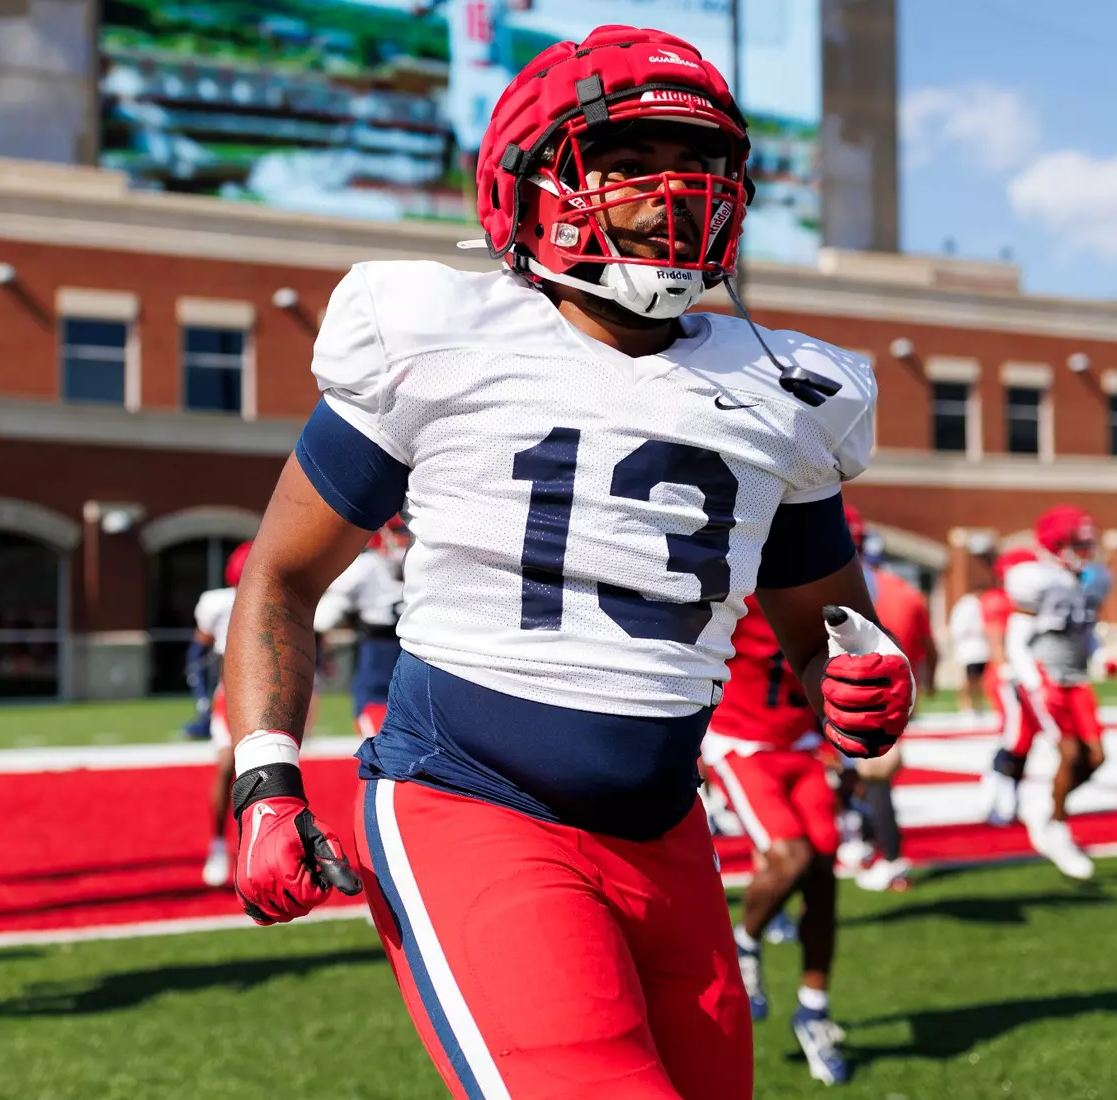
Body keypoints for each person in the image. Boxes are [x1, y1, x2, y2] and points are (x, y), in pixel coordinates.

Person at [218, 26, 915, 1099]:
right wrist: (265, 775)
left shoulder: (788, 388)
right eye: (626, 164)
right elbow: (281, 576)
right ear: (525, 184)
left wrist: (862, 682)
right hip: (472, 803)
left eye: (694, 167)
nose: (666, 193)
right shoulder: (441, 330)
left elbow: (829, 630)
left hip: (669, 832)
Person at [704, 594, 850, 1084]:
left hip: (804, 745)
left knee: (825, 876)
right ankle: (745, 942)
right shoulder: (735, 582)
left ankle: (814, 1009)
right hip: (743, 743)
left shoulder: (831, 596)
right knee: (790, 856)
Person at [1005, 505, 1108, 880]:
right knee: (1068, 751)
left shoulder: (1088, 582)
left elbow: (1086, 630)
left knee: (1096, 758)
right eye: (1078, 544)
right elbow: (1017, 636)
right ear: (1056, 544)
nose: (1087, 551)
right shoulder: (1038, 580)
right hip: (1046, 676)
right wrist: (1032, 680)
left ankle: (1049, 809)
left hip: (1076, 677)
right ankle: (1057, 825)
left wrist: (1103, 654)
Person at [847, 506, 934, 892]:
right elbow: (926, 652)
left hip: (845, 693)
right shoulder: (905, 591)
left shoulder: (841, 588)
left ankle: (889, 858)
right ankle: (869, 845)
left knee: (871, 777)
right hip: (893, 693)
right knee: (869, 776)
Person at [313, 515, 409, 737]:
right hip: (400, 647)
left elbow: (324, 618)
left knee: (374, 712)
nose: (403, 539)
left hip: (384, 650)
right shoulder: (421, 562)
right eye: (398, 532)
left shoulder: (365, 567)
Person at [195, 542, 253, 889]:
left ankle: (262, 846)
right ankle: (218, 845)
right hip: (230, 692)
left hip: (271, 692)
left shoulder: (284, 596)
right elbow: (198, 651)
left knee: (274, 771)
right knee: (225, 766)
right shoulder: (217, 603)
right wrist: (201, 698)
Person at [980, 548, 1044, 825]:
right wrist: (1006, 668)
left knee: (1026, 740)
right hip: (1008, 677)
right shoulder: (999, 600)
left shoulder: (1031, 600)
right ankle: (996, 799)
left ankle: (1011, 799)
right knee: (1014, 738)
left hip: (1027, 675)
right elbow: (996, 637)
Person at [947, 588, 989, 714]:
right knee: (969, 678)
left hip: (979, 648)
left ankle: (976, 704)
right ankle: (965, 705)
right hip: (971, 648)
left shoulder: (976, 604)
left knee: (979, 679)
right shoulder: (967, 605)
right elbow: (959, 628)